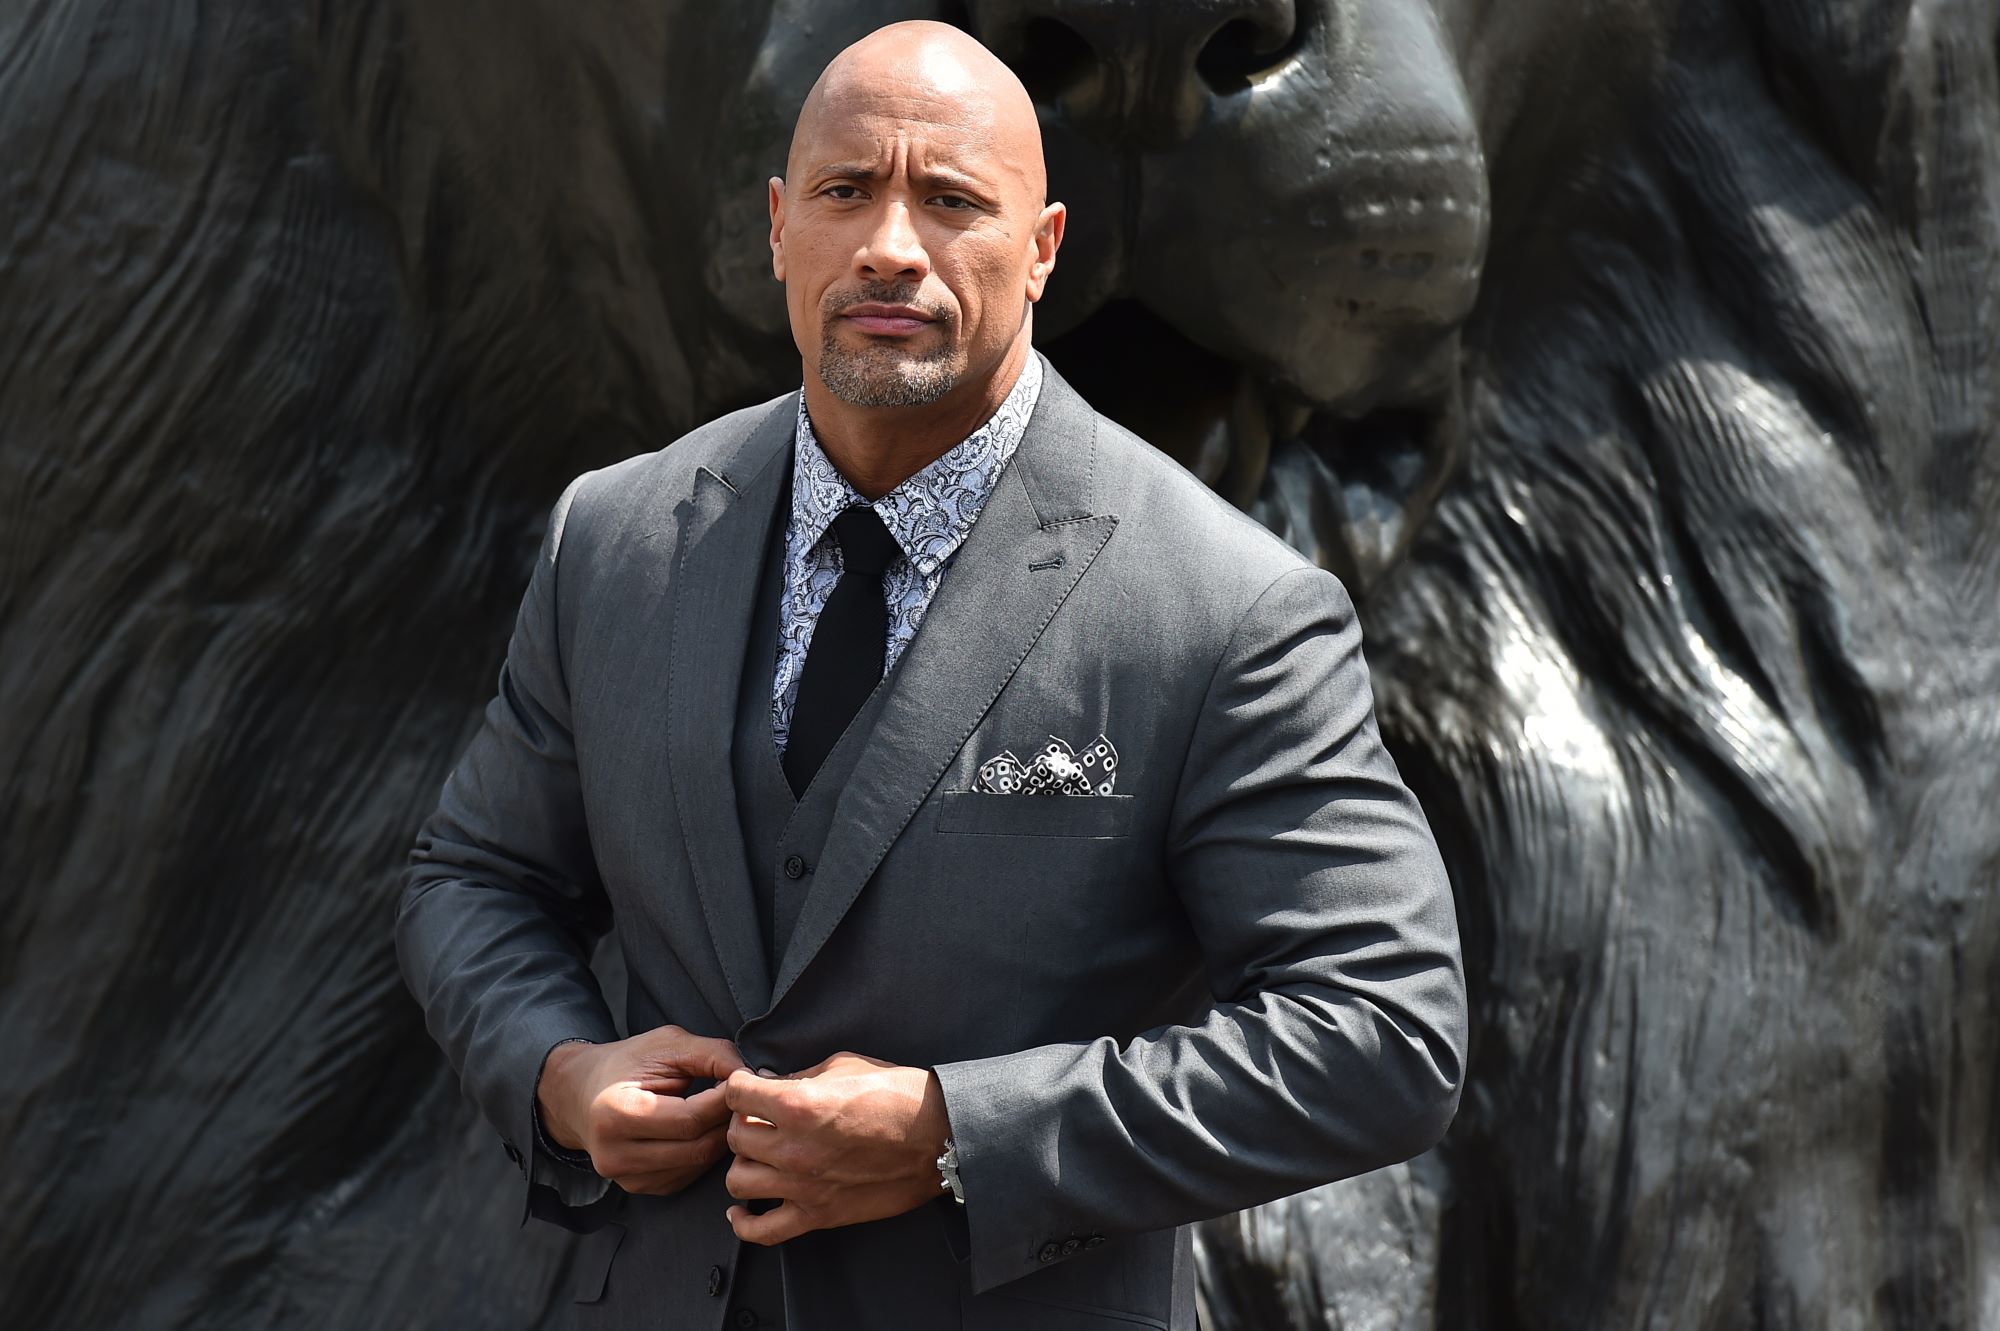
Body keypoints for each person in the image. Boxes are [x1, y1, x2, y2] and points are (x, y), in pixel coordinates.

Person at [395, 19, 1467, 1330]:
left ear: (1043, 249)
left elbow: (1384, 1037)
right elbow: (475, 879)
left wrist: (954, 1133)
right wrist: (560, 1072)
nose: (891, 245)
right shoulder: (616, 539)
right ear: (782, 226)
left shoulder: (1226, 607)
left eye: (953, 200)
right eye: (848, 192)